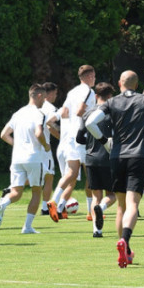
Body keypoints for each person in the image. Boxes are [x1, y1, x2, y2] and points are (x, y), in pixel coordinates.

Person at [85, 70, 144, 268]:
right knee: (133, 203)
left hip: (117, 156)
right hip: (138, 156)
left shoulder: (111, 102)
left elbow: (90, 122)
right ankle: (125, 241)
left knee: (120, 206)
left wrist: (104, 141)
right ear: (136, 85)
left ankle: (125, 251)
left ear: (119, 83)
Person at [0, 84, 53, 234]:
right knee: (36, 191)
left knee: (16, 192)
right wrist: (46, 146)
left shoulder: (18, 113)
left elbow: (3, 134)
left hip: (17, 158)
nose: (44, 101)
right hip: (34, 158)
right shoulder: (39, 113)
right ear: (38, 96)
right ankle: (27, 227)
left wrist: (17, 145)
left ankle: (3, 203)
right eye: (44, 98)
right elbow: (39, 133)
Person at [49, 65, 96, 221]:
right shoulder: (88, 91)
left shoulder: (72, 92)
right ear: (89, 77)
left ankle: (56, 202)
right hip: (82, 136)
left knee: (71, 173)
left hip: (69, 137)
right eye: (94, 76)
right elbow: (79, 111)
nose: (94, 79)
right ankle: (91, 211)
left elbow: (64, 112)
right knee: (90, 172)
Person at [77, 82, 117, 237]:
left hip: (91, 158)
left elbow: (79, 138)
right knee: (112, 194)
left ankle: (96, 229)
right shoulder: (112, 112)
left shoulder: (87, 113)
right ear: (110, 96)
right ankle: (102, 208)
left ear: (95, 96)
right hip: (108, 157)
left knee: (95, 195)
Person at [39, 82, 61, 216]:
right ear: (49, 93)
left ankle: (10, 189)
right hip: (44, 147)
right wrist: (62, 136)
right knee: (49, 176)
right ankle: (45, 207)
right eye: (55, 93)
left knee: (37, 176)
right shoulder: (50, 108)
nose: (56, 96)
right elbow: (50, 126)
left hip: (33, 146)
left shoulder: (36, 106)